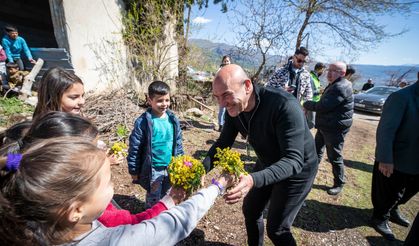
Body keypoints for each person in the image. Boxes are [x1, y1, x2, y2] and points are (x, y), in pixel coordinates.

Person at [0, 137, 234, 245]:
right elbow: (177, 221)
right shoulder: (118, 242)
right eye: (108, 181)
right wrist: (218, 186)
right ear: (76, 210)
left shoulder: (30, 226)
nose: (113, 186)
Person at [0, 111, 186, 227]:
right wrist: (168, 202)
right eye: (96, 148)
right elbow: (136, 225)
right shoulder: (95, 212)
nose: (102, 151)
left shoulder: (45, 196)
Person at [204, 64, 318, 245]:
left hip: (299, 169)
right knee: (251, 210)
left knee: (278, 229)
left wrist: (252, 179)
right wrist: (200, 170)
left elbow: (294, 160)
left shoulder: (284, 105)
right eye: (217, 97)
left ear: (247, 86)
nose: (222, 104)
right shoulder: (235, 109)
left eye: (226, 94)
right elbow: (222, 144)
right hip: (267, 161)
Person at [370, 71, 419, 241]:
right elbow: (386, 130)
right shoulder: (401, 97)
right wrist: (385, 158)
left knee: (408, 191)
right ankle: (380, 217)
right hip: (397, 159)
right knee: (388, 192)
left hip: (416, 161)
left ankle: (393, 210)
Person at [127, 80, 184, 208]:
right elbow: (135, 147)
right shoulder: (143, 122)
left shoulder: (173, 120)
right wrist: (133, 169)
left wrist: (181, 163)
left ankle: (164, 218)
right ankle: (150, 220)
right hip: (153, 169)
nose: (164, 104)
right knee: (153, 198)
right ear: (149, 100)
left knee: (168, 195)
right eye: (159, 101)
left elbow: (178, 143)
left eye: (167, 100)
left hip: (171, 167)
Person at [303, 61, 354, 196]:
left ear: (342, 73)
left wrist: (305, 103)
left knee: (334, 156)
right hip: (326, 125)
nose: (329, 73)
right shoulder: (336, 84)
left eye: (334, 71)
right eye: (329, 70)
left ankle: (339, 183)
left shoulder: (340, 87)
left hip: (334, 129)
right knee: (316, 151)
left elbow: (323, 106)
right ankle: (309, 173)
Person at [307, 62, 326, 129]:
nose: (323, 72)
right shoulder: (311, 77)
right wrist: (320, 91)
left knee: (309, 122)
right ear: (319, 69)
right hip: (311, 103)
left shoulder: (316, 77)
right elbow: (309, 92)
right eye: (323, 70)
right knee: (311, 123)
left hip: (315, 103)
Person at [217, 55, 231, 132]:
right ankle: (220, 125)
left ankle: (226, 125)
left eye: (227, 61)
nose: (226, 62)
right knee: (222, 109)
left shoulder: (232, 70)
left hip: (230, 92)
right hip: (222, 92)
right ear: (223, 62)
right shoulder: (220, 70)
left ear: (230, 62)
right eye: (225, 61)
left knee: (228, 110)